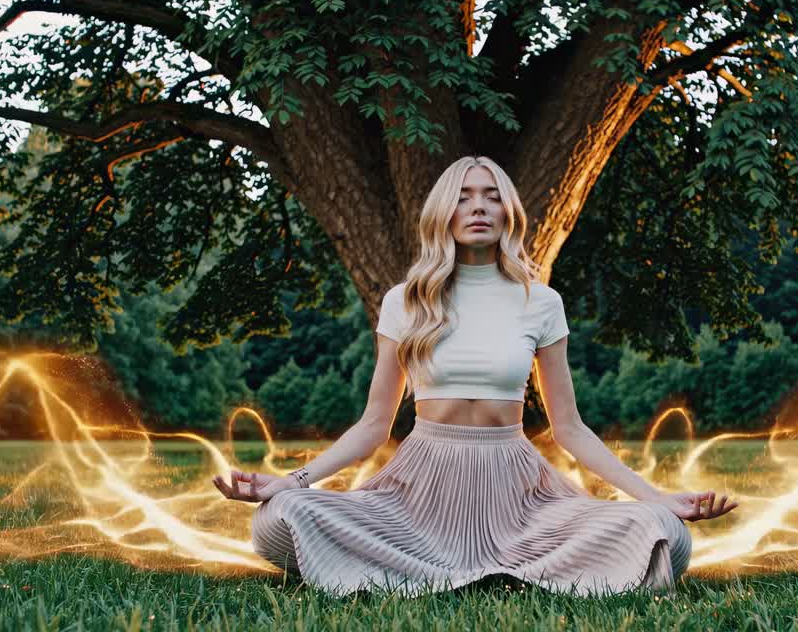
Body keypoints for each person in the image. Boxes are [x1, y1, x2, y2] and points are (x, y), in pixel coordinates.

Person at [212, 155, 738, 597]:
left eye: (491, 196)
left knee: (664, 533)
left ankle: (485, 567)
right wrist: (291, 482)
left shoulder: (541, 302)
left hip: (519, 494)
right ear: (444, 210)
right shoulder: (406, 302)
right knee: (279, 519)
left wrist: (655, 497)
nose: (479, 206)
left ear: (509, 212)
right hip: (417, 493)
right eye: (464, 195)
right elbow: (374, 424)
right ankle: (460, 569)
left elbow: (570, 428)